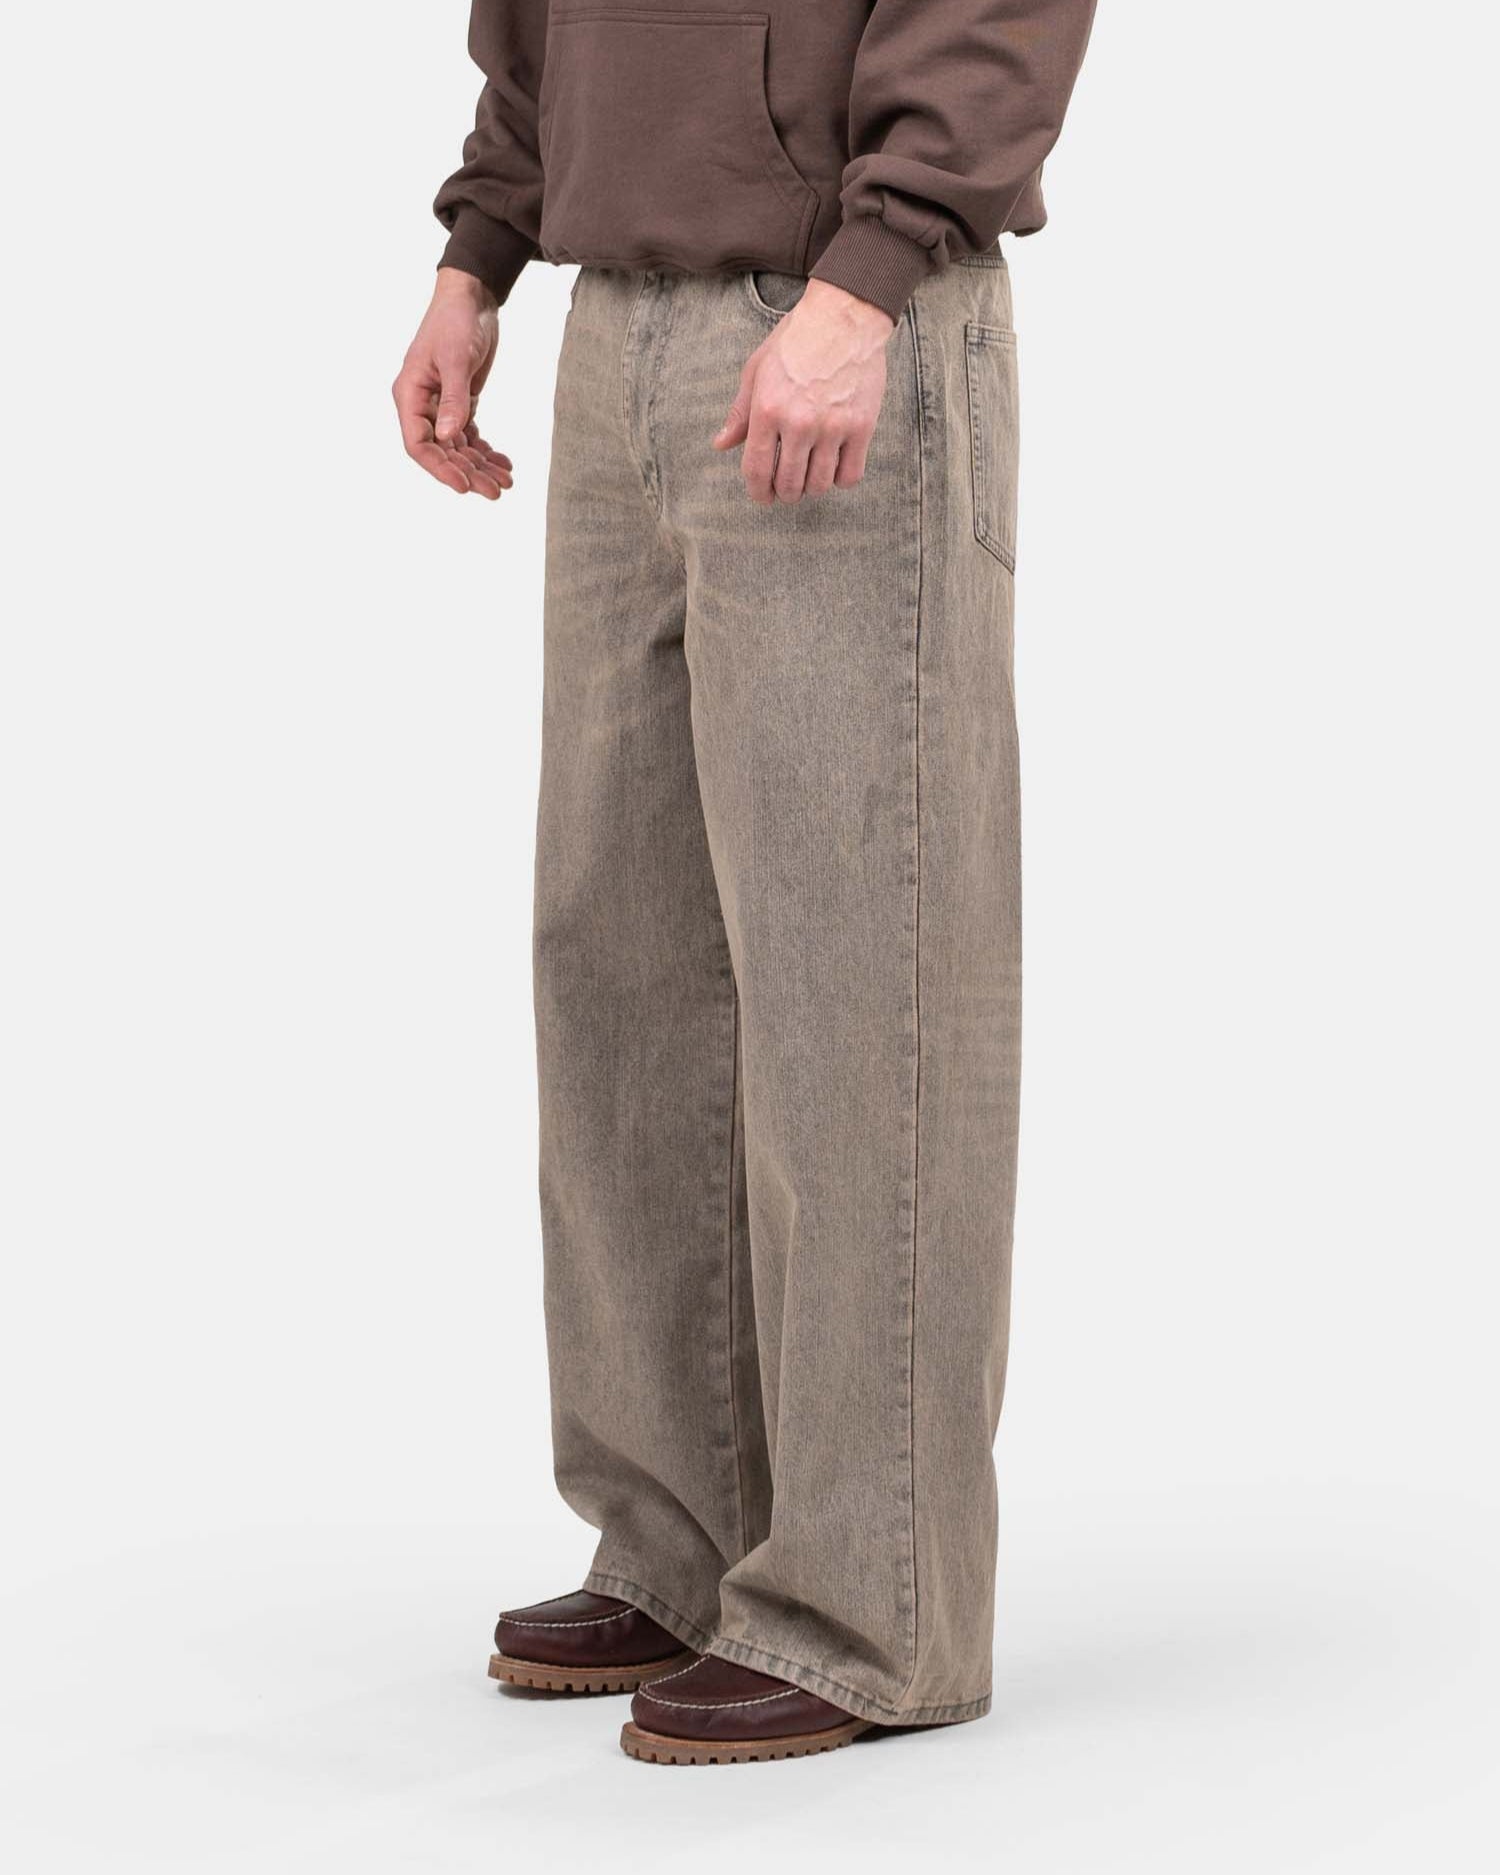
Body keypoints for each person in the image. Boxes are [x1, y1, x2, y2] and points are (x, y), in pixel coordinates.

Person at [393, 0, 1095, 1767]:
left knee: (862, 964)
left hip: (834, 312)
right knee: (621, 956)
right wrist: (480, 253)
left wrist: (869, 281)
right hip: (610, 317)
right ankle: (678, 1540)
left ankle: (874, 1607)